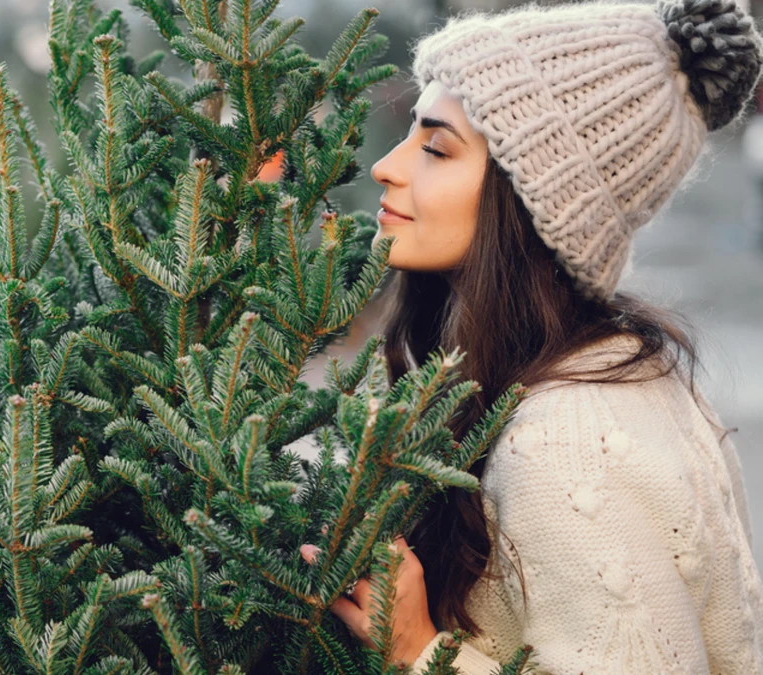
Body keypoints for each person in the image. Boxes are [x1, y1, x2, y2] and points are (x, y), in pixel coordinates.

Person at [303, 0, 763, 671]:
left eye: (435, 147)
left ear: (527, 198)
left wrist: (419, 650)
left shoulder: (569, 439)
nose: (388, 166)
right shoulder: (590, 372)